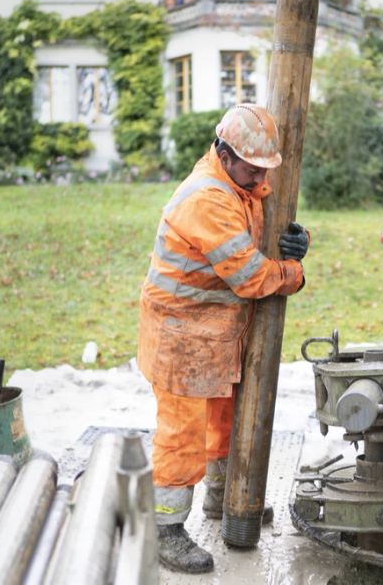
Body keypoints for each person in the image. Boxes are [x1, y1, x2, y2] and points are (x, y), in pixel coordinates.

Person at [136, 104, 310, 574]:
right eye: (253, 168)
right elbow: (252, 278)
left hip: (211, 331)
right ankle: (165, 530)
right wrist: (292, 272)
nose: (260, 179)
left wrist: (295, 238)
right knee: (181, 436)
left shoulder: (240, 182)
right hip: (179, 334)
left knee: (224, 416)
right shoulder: (207, 199)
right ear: (225, 153)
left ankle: (220, 495)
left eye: (264, 170)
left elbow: (260, 216)